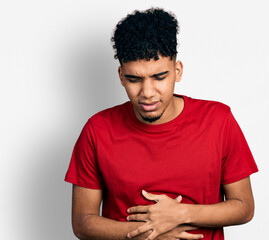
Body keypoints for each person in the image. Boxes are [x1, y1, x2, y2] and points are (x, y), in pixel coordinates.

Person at [65, 7, 258, 240]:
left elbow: (244, 207)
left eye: (159, 77)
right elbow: (82, 223)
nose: (147, 93)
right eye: (134, 79)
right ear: (120, 76)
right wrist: (148, 234)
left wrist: (180, 214)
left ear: (177, 71)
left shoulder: (218, 120)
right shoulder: (97, 130)